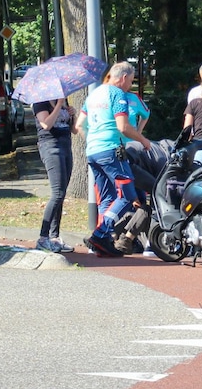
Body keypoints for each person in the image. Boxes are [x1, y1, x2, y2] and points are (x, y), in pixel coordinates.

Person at [75, 61, 151, 257]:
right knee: (127, 193)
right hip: (111, 150)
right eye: (131, 81)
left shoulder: (94, 94)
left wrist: (93, 141)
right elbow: (123, 127)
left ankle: (104, 240)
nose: (130, 86)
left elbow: (79, 126)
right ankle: (100, 234)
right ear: (123, 78)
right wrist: (143, 140)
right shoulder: (117, 94)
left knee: (107, 197)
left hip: (93, 151)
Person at [32, 97, 75, 253]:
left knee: (62, 194)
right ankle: (43, 238)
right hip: (50, 147)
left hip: (66, 146)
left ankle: (54, 237)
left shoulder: (64, 101)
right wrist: (58, 106)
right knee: (57, 193)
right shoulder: (40, 103)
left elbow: (74, 130)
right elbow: (46, 124)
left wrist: (73, 114)